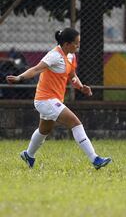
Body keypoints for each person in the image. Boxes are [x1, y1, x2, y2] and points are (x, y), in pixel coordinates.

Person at [6, 28, 111, 169]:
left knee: (44, 130)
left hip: (53, 100)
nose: (78, 46)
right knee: (76, 123)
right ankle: (95, 159)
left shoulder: (71, 56)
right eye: (76, 43)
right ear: (67, 44)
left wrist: (81, 87)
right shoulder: (54, 55)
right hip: (45, 100)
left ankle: (28, 155)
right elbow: (36, 69)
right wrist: (20, 77)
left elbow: (72, 76)